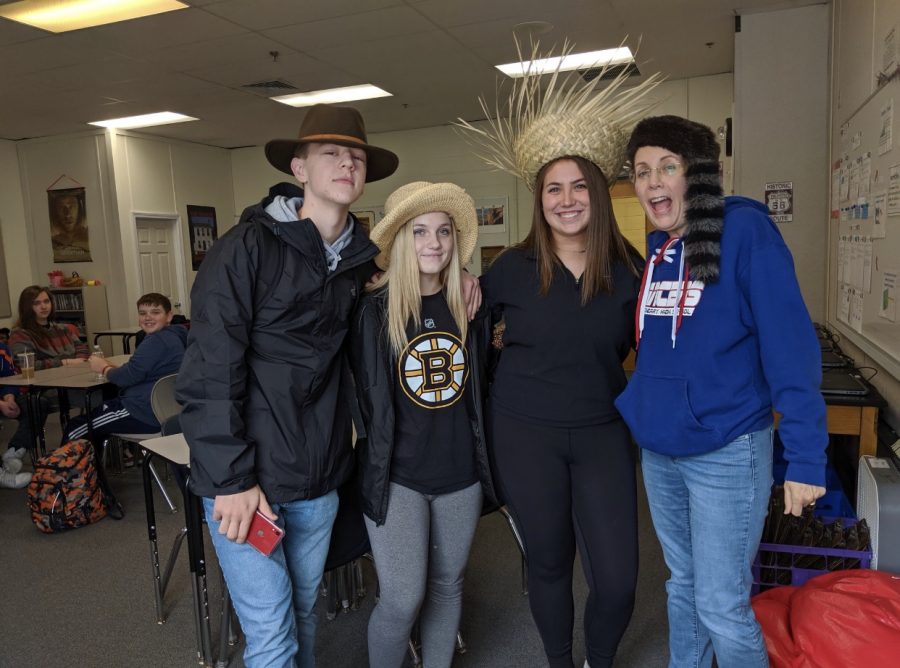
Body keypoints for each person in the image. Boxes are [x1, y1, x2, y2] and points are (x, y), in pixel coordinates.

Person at [177, 104, 478, 668]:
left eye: (356, 156)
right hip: (246, 484)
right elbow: (209, 373)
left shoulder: (357, 263)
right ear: (299, 167)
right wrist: (232, 478)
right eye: (331, 153)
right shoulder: (246, 248)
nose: (346, 163)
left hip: (317, 480)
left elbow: (408, 275)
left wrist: (451, 272)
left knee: (303, 616)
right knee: (272, 636)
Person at [458, 43, 662, 668]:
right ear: (538, 197)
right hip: (524, 432)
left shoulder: (633, 270)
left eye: (579, 187)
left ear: (599, 194)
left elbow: (662, 348)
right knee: (547, 561)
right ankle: (559, 661)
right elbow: (464, 339)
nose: (566, 199)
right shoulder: (507, 272)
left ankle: (599, 658)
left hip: (603, 431)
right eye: (553, 188)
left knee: (619, 577)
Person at [614, 115, 827, 668]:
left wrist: (805, 456)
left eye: (668, 166)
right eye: (641, 172)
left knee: (720, 601)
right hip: (662, 451)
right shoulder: (660, 248)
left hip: (728, 450)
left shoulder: (746, 234)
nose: (653, 182)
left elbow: (790, 346)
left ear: (698, 174)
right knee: (682, 585)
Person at [349, 182, 498, 667]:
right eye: (419, 232)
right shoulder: (372, 311)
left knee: (447, 586)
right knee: (401, 598)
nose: (433, 243)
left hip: (461, 476)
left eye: (443, 232)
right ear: (399, 242)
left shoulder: (471, 306)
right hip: (397, 479)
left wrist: (470, 281)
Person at [63, 293, 187, 444]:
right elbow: (137, 370)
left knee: (75, 427)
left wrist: (103, 368)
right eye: (143, 313)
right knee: (97, 419)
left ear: (169, 316)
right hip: (167, 411)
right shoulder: (174, 336)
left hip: (142, 411)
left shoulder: (156, 341)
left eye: (155, 312)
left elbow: (126, 378)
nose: (148, 317)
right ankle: (95, 464)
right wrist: (113, 368)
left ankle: (61, 466)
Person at [6, 285, 90, 458]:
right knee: (95, 397)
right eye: (37, 303)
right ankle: (75, 452)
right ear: (27, 307)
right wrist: (65, 361)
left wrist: (78, 360)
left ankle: (107, 447)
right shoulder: (20, 334)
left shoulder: (63, 329)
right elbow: (28, 365)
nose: (43, 306)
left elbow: (82, 348)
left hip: (74, 381)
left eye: (46, 301)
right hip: (45, 388)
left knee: (109, 390)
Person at [0, 341, 30, 489]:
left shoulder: (2, 349)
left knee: (36, 404)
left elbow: (10, 378)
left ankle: (14, 451)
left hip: (4, 396)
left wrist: (9, 397)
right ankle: (1, 474)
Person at [49, 189, 91, 261]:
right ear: (55, 212)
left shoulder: (91, 236)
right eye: (61, 207)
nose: (68, 214)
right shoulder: (52, 242)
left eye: (72, 206)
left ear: (80, 209)